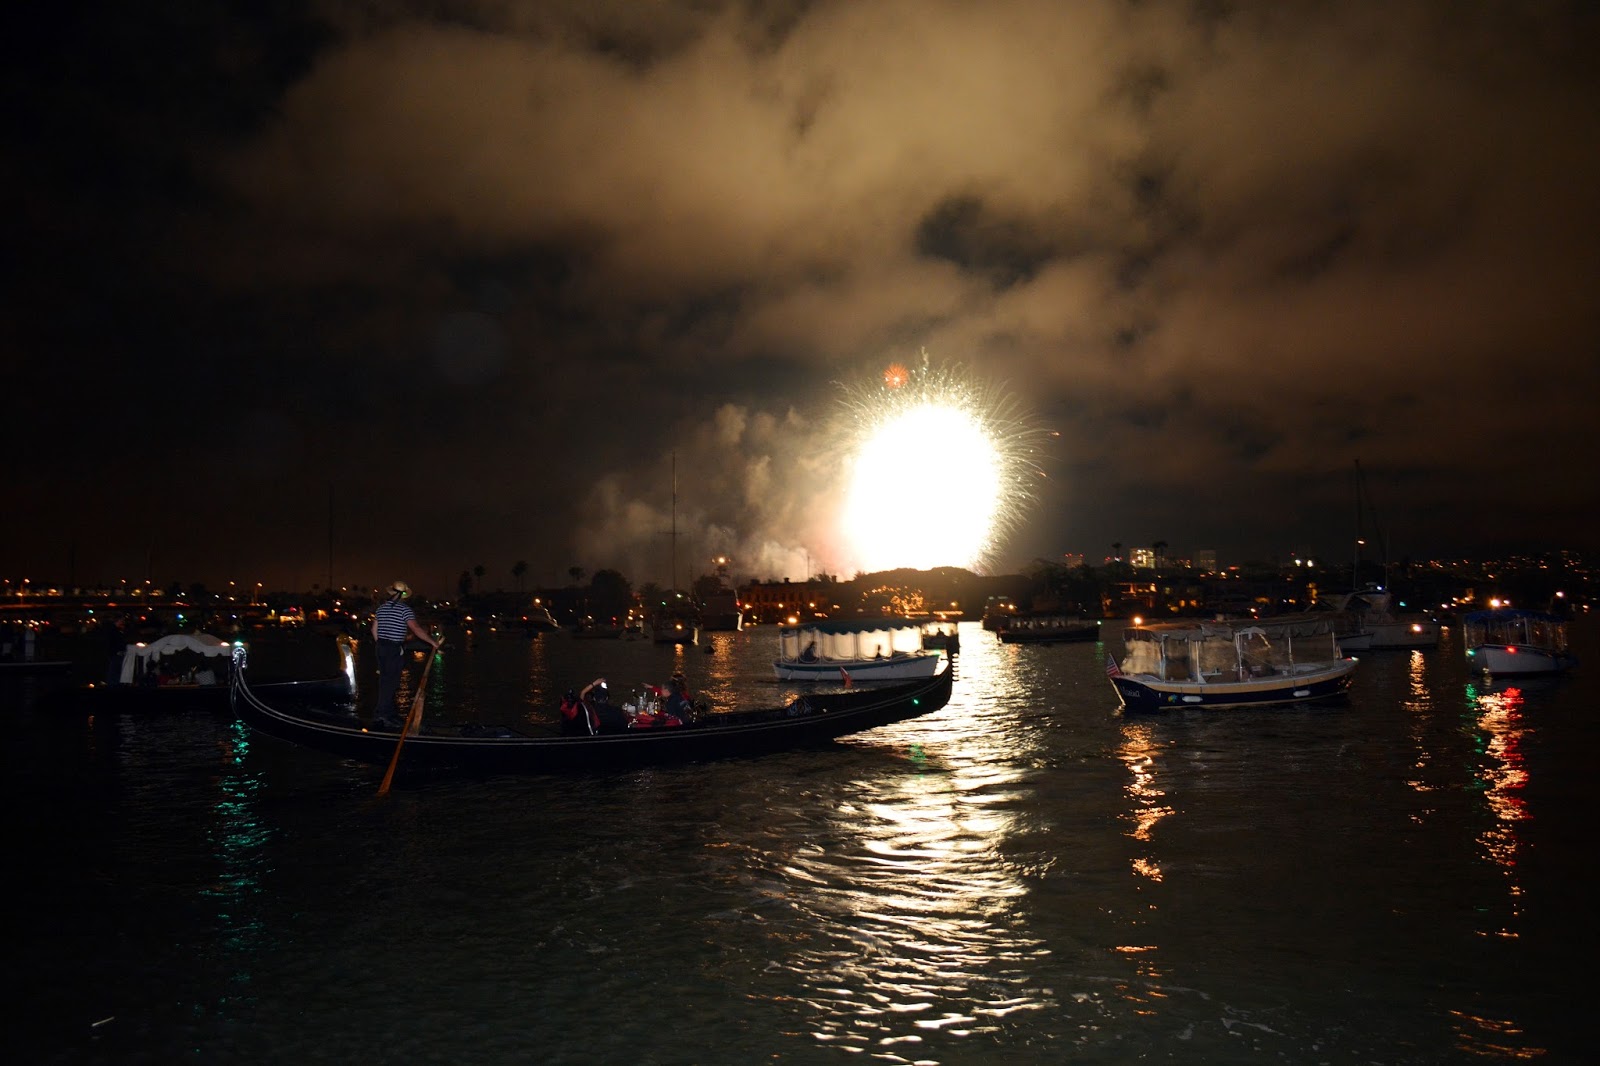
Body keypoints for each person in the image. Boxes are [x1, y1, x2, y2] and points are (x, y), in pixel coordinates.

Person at [371, 581, 440, 729]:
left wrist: (382, 644)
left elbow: (373, 630)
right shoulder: (404, 609)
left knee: (385, 680)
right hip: (393, 648)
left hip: (381, 647)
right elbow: (415, 629)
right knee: (391, 681)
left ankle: (388, 713)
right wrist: (432, 642)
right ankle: (383, 715)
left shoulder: (381, 608)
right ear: (404, 595)